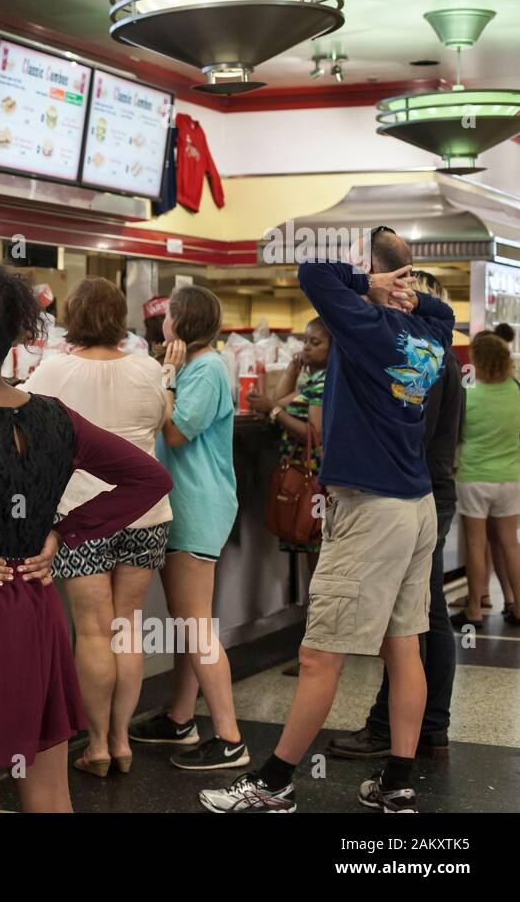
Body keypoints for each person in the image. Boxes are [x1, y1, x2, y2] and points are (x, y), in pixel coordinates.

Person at [0, 262, 171, 812]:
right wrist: (63, 533)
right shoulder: (55, 418)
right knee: (47, 785)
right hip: (35, 602)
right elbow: (150, 477)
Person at [200, 227, 453, 813]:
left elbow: (313, 273)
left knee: (319, 655)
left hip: (371, 510)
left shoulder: (366, 328)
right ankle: (396, 783)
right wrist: (406, 291)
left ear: (376, 274)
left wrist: (375, 287)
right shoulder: (430, 332)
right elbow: (438, 309)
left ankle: (273, 783)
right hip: (415, 508)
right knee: (403, 645)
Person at [21, 276, 172, 776]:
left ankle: (97, 747)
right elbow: (160, 422)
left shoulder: (53, 371)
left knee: (92, 631)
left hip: (82, 515)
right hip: (145, 514)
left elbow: (22, 424)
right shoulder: (148, 368)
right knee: (126, 628)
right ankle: (122, 741)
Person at [328, 269, 465, 761]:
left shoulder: (420, 355)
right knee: (426, 616)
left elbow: (410, 432)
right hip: (433, 487)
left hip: (413, 493)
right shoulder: (441, 354)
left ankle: (396, 724)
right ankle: (428, 727)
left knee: (411, 624)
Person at [129, 285, 247, 772]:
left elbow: (175, 431)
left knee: (196, 624)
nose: (164, 322)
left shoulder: (205, 369)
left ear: (184, 322)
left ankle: (230, 737)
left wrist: (168, 376)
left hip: (197, 505)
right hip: (193, 502)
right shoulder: (204, 365)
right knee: (187, 621)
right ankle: (181, 717)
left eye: (170, 315)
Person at [450, 331, 520, 629]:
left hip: (474, 477)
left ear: (475, 359)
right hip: (511, 477)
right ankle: (518, 608)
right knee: (510, 544)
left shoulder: (468, 393)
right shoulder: (517, 390)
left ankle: (475, 609)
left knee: (476, 545)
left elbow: (456, 434)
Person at [249, 317, 331, 569]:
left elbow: (313, 434)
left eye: (315, 342)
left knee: (318, 547)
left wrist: (274, 411)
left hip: (316, 479)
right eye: (305, 341)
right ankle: (314, 607)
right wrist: (291, 370)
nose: (306, 347)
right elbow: (278, 401)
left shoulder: (325, 383)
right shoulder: (314, 381)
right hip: (306, 476)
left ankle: (318, 607)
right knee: (311, 545)